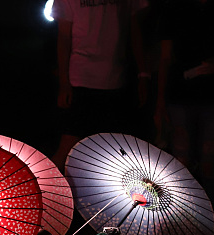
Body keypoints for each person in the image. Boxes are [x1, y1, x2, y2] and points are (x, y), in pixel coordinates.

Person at [154, 0, 214, 209]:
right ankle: (183, 217)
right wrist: (160, 101)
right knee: (182, 162)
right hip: (182, 95)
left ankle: (211, 219)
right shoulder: (174, 9)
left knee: (209, 160)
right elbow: (165, 57)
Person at [51, 0, 151, 171]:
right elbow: (64, 37)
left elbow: (135, 30)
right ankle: (44, 191)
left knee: (113, 151)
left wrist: (143, 73)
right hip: (81, 79)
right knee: (69, 144)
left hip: (116, 79)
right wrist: (64, 83)